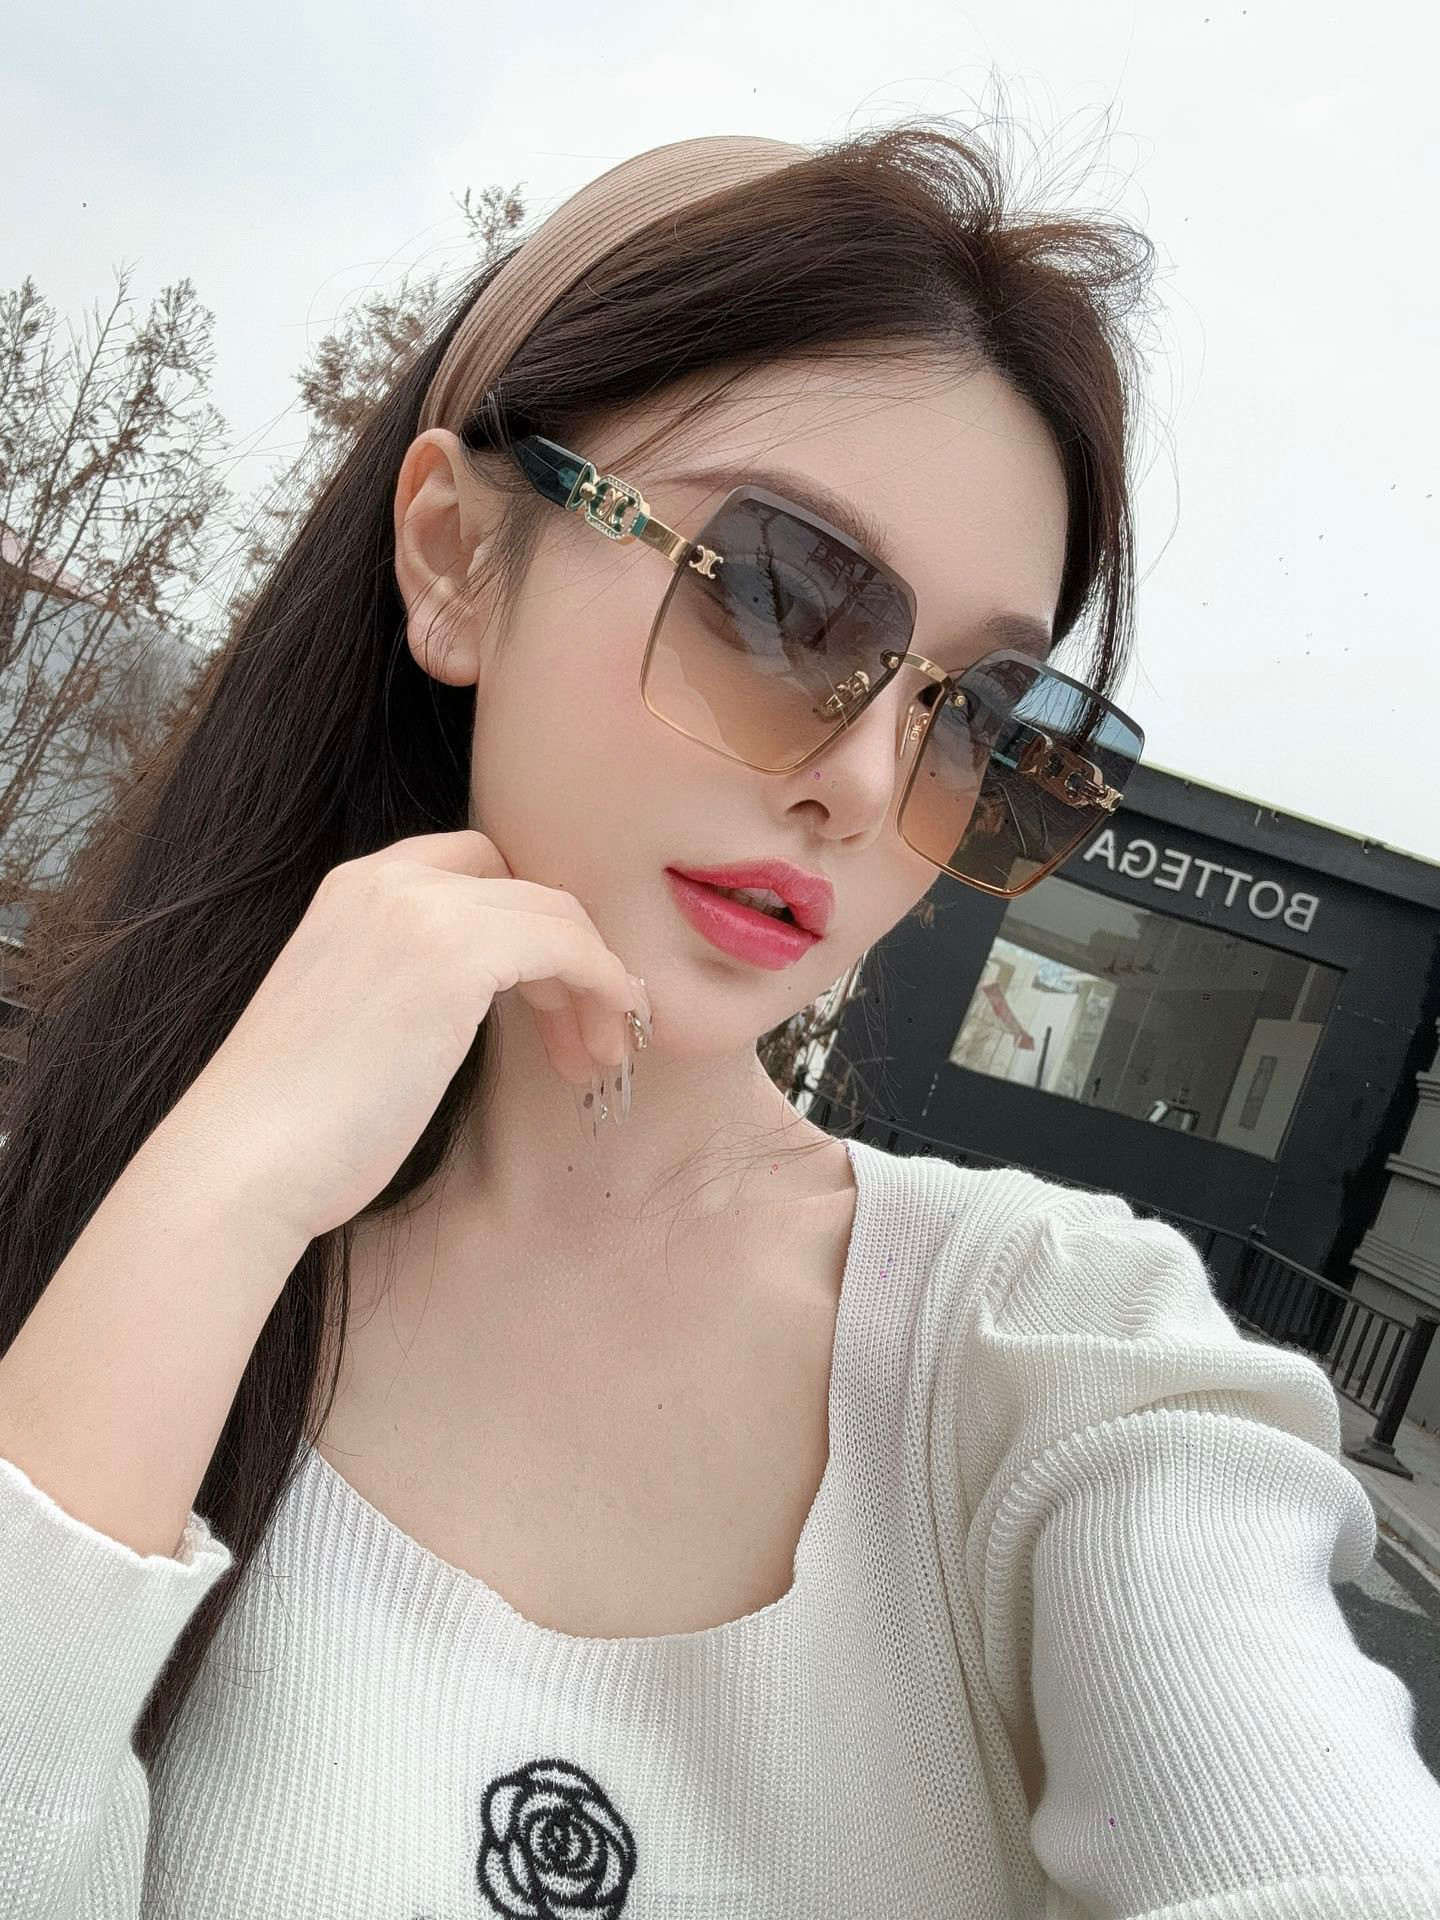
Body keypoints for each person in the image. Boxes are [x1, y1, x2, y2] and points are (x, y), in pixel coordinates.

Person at [1, 124, 1437, 1920]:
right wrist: (221, 1187)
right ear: (456, 558)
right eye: (778, 595)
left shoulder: (1056, 1357)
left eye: (980, 714)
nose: (864, 782)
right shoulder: (109, 1233)